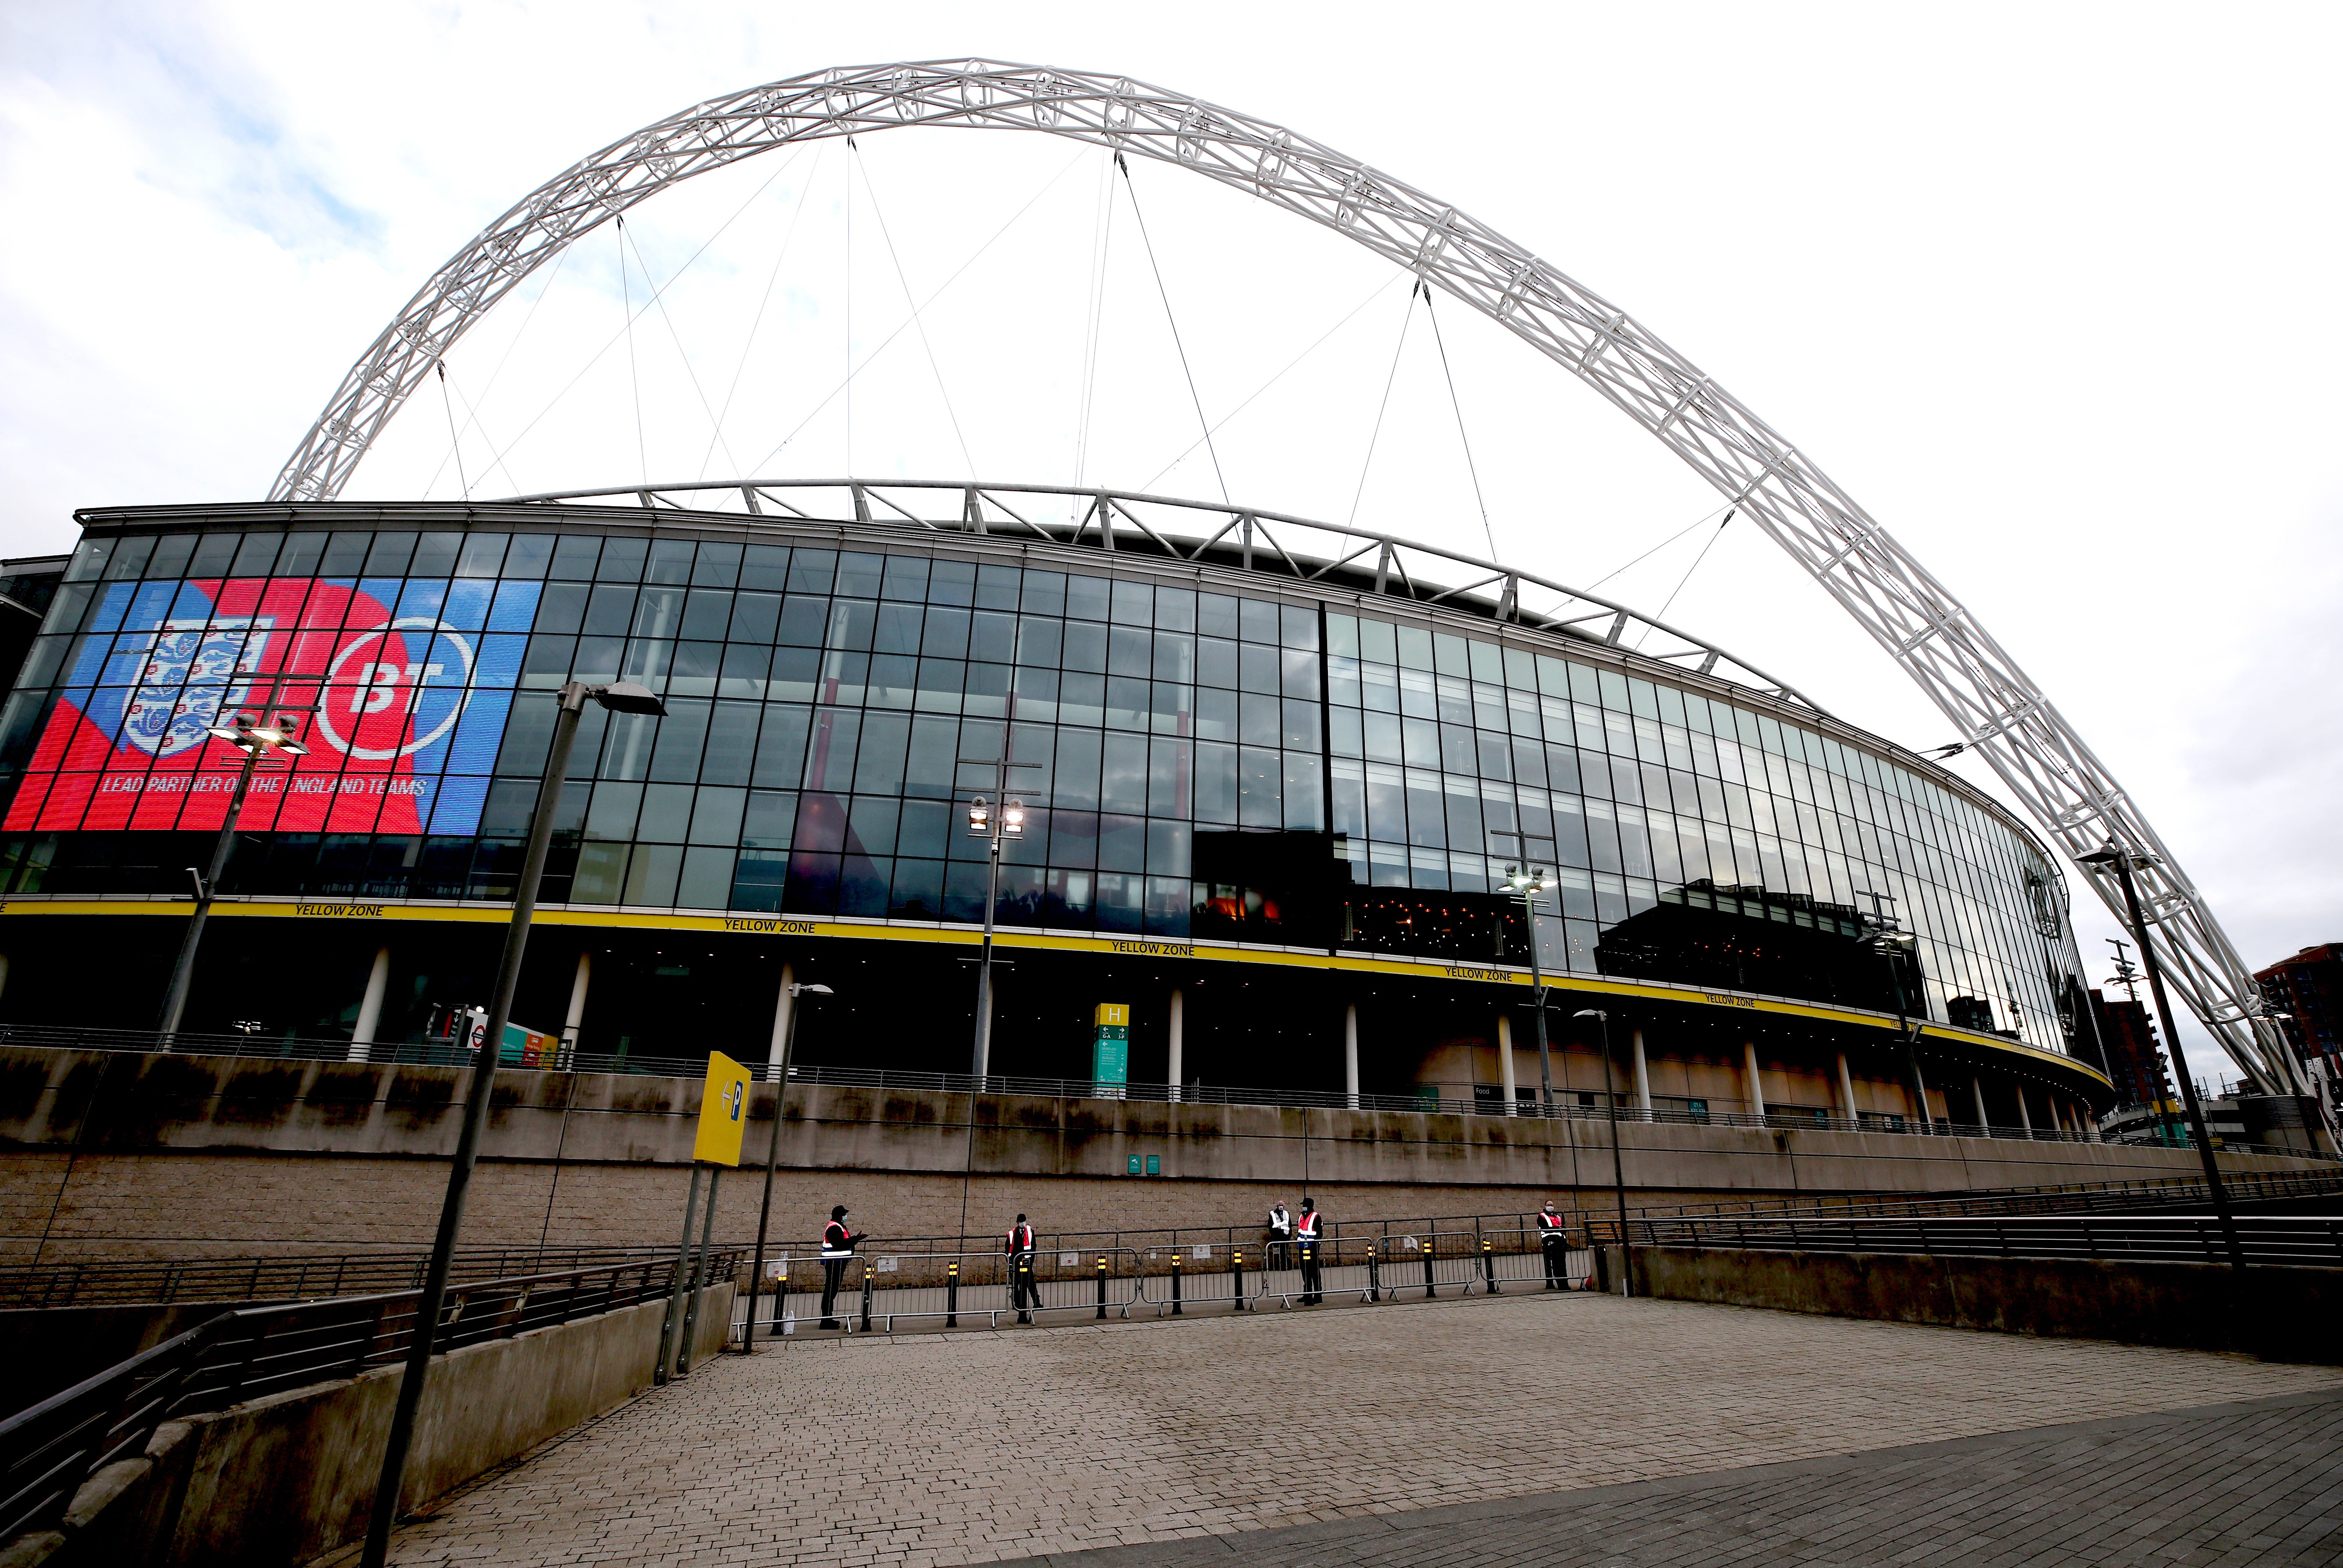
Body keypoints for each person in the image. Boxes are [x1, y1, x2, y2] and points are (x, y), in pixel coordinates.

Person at [818, 1204, 865, 1329]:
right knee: (830, 1290)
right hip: (834, 1263)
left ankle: (828, 1318)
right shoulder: (834, 1228)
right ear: (839, 1216)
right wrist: (856, 1239)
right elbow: (839, 1245)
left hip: (838, 1262)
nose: (846, 1216)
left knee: (832, 1290)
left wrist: (855, 1240)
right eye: (844, 1214)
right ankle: (825, 1321)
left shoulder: (838, 1226)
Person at [1006, 1213, 1041, 1322]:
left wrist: (1031, 1261)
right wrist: (1010, 1262)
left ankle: (1037, 1301)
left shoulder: (1030, 1232)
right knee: (1016, 1285)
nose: (1022, 1223)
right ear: (1017, 1223)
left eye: (1024, 1221)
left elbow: (1033, 1247)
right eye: (1021, 1222)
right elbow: (1008, 1249)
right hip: (1016, 1263)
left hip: (1027, 1263)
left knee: (1030, 1282)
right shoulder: (1012, 1234)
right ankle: (1018, 1304)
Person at [1295, 1197, 1324, 1305]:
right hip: (1303, 1247)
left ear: (1310, 1206)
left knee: (1314, 1270)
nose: (1303, 1207)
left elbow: (1319, 1234)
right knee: (1304, 1270)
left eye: (1305, 1205)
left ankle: (1318, 1295)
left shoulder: (1316, 1216)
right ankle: (1307, 1294)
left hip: (1312, 1247)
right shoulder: (1301, 1217)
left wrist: (1315, 1244)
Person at [1537, 1202, 1571, 1290]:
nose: (1550, 1207)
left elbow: (1563, 1228)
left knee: (1562, 1264)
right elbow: (1545, 1228)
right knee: (1556, 1263)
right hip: (1550, 1242)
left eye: (1552, 1205)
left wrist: (1563, 1230)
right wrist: (1557, 1229)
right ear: (1545, 1206)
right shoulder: (1542, 1216)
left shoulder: (1558, 1217)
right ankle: (1560, 1284)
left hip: (1561, 1242)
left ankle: (1565, 1284)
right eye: (1548, 1205)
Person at [1266, 1200, 1294, 1272]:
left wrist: (1290, 1234)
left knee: (1284, 1251)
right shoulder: (1273, 1214)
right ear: (1277, 1206)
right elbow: (1270, 1225)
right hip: (1278, 1235)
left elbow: (1290, 1224)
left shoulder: (1286, 1213)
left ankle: (1286, 1265)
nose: (1281, 1207)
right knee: (1282, 1251)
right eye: (1280, 1205)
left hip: (1286, 1235)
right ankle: (1284, 1266)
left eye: (1282, 1205)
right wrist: (1273, 1235)